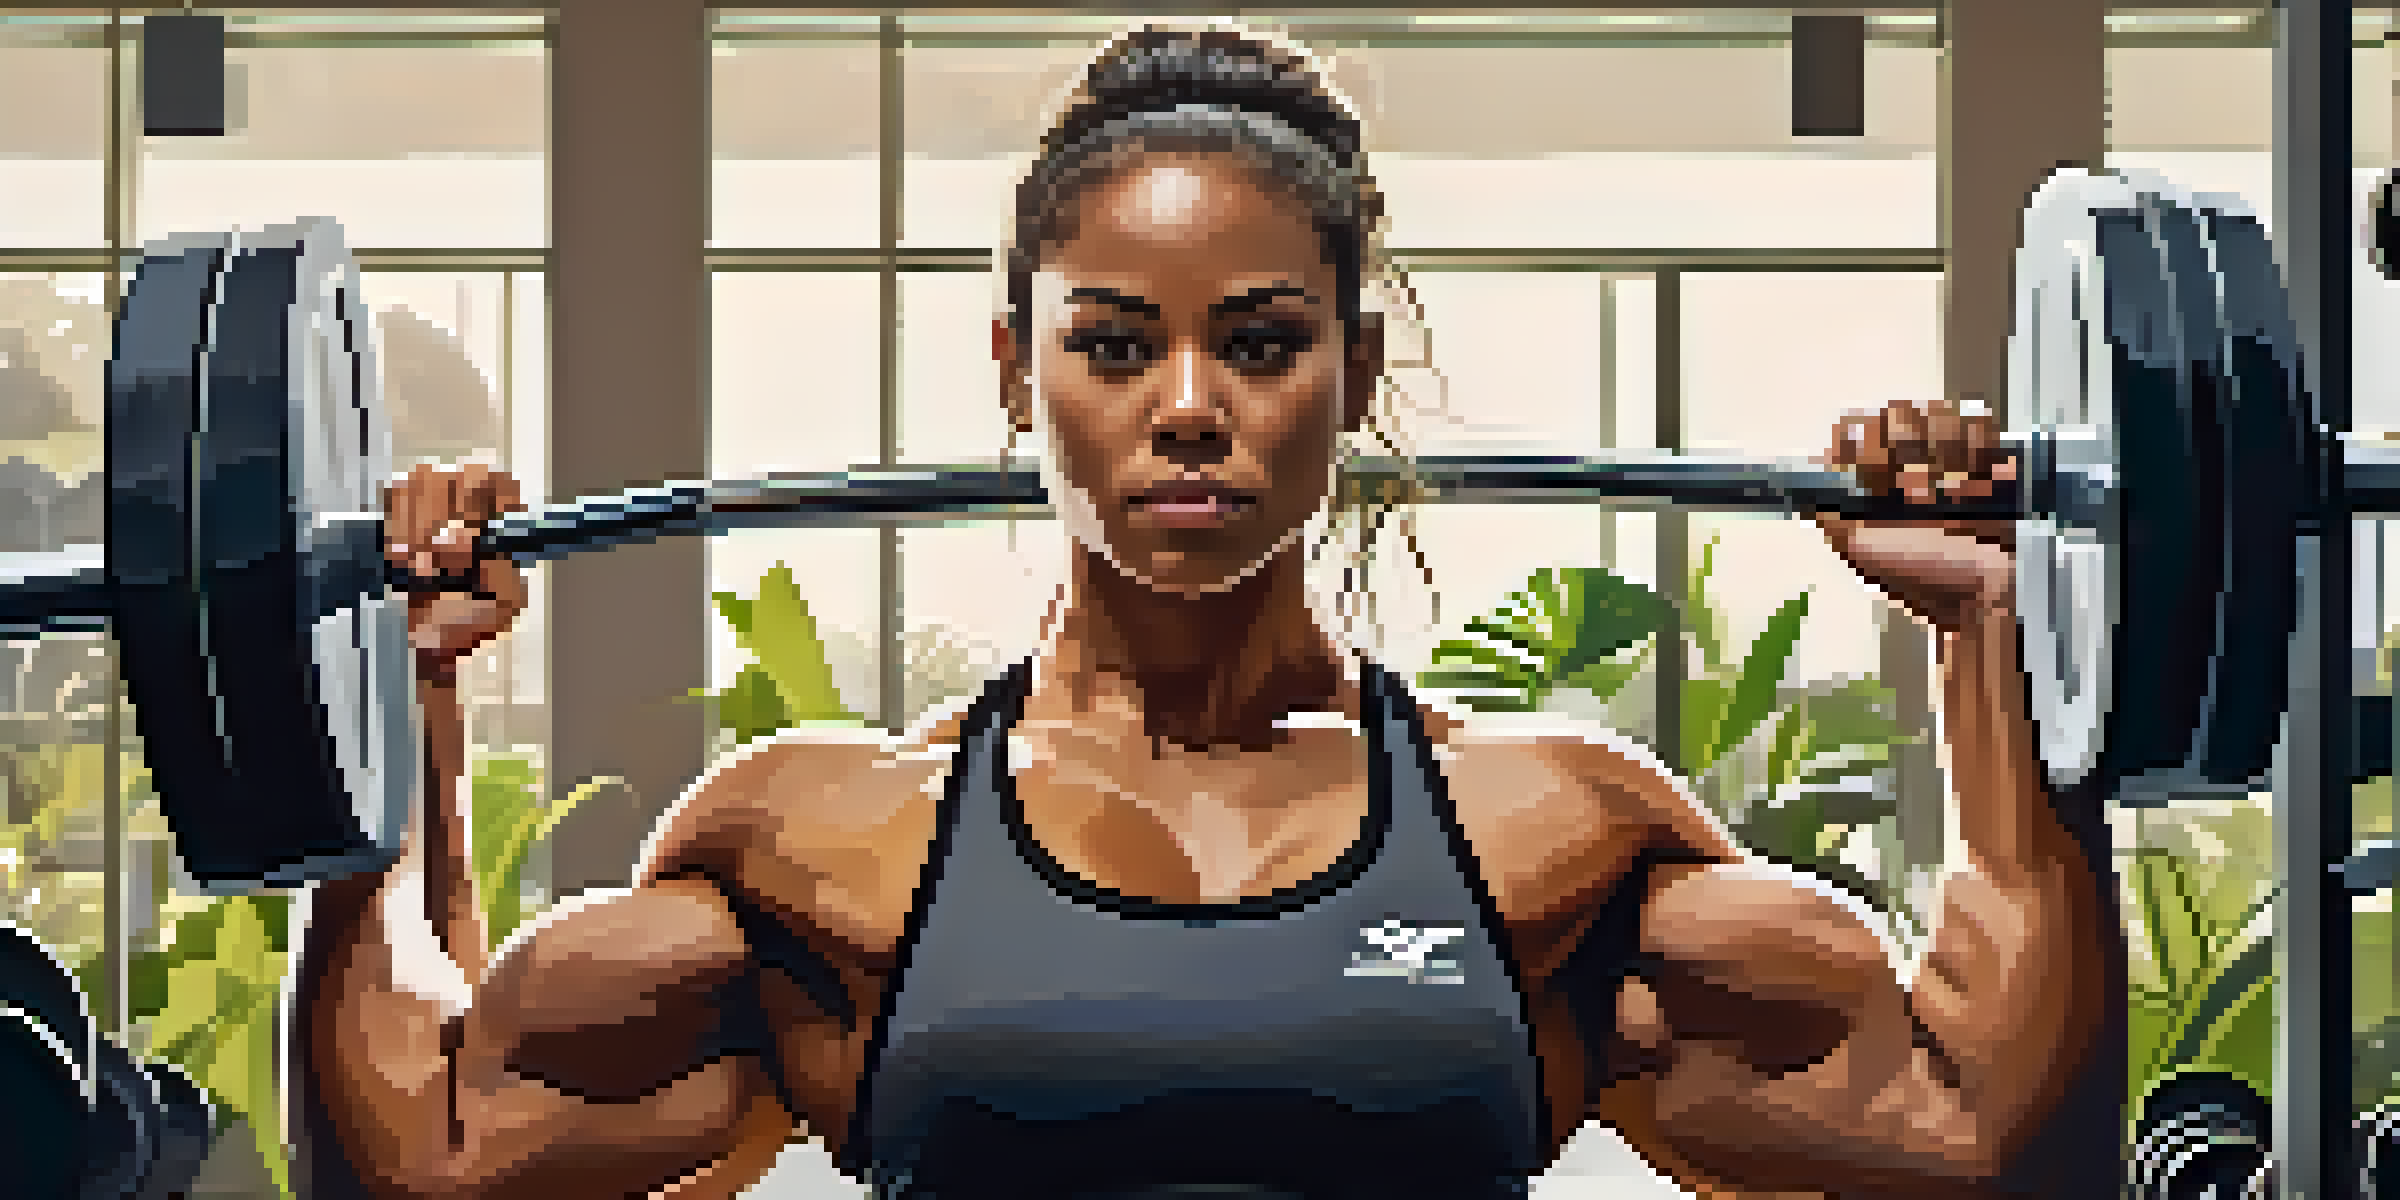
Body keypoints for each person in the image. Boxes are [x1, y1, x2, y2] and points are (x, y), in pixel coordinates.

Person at [297, 24, 2114, 1200]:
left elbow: (1974, 1131)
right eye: (1111, 343)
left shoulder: (1544, 833)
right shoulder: (829, 842)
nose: (1186, 405)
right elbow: (431, 1148)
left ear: (1350, 366)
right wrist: (394, 700)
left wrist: (1986, 634)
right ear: (1017, 374)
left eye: (1258, 342)